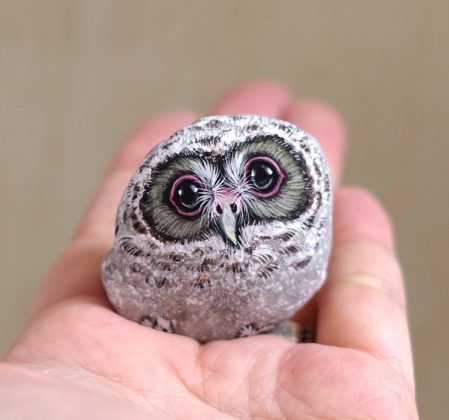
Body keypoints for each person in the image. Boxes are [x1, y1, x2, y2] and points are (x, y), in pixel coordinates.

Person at [0, 82, 418, 419]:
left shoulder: (302, 250)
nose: (228, 206)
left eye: (261, 177)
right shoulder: (142, 264)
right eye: (186, 195)